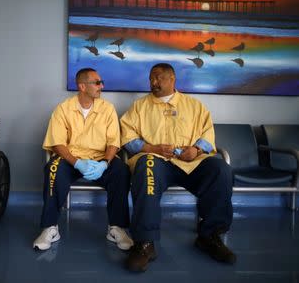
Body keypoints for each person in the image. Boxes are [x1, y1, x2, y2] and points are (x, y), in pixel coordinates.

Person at [120, 63, 235, 272]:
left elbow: (208, 135)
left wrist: (197, 150)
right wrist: (152, 147)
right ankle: (145, 242)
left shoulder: (194, 105)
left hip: (191, 163)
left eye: (158, 78)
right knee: (146, 166)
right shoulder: (139, 106)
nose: (153, 82)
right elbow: (128, 138)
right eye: (151, 78)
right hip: (157, 162)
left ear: (172, 79)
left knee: (221, 170)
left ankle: (209, 236)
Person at [33, 68, 133, 251]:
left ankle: (116, 228)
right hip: (71, 159)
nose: (101, 86)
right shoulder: (63, 109)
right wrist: (77, 162)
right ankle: (50, 227)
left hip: (100, 159)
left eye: (101, 82)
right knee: (53, 169)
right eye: (97, 83)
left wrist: (105, 163)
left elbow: (114, 142)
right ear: (82, 86)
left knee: (122, 171)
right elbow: (57, 143)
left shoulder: (107, 108)